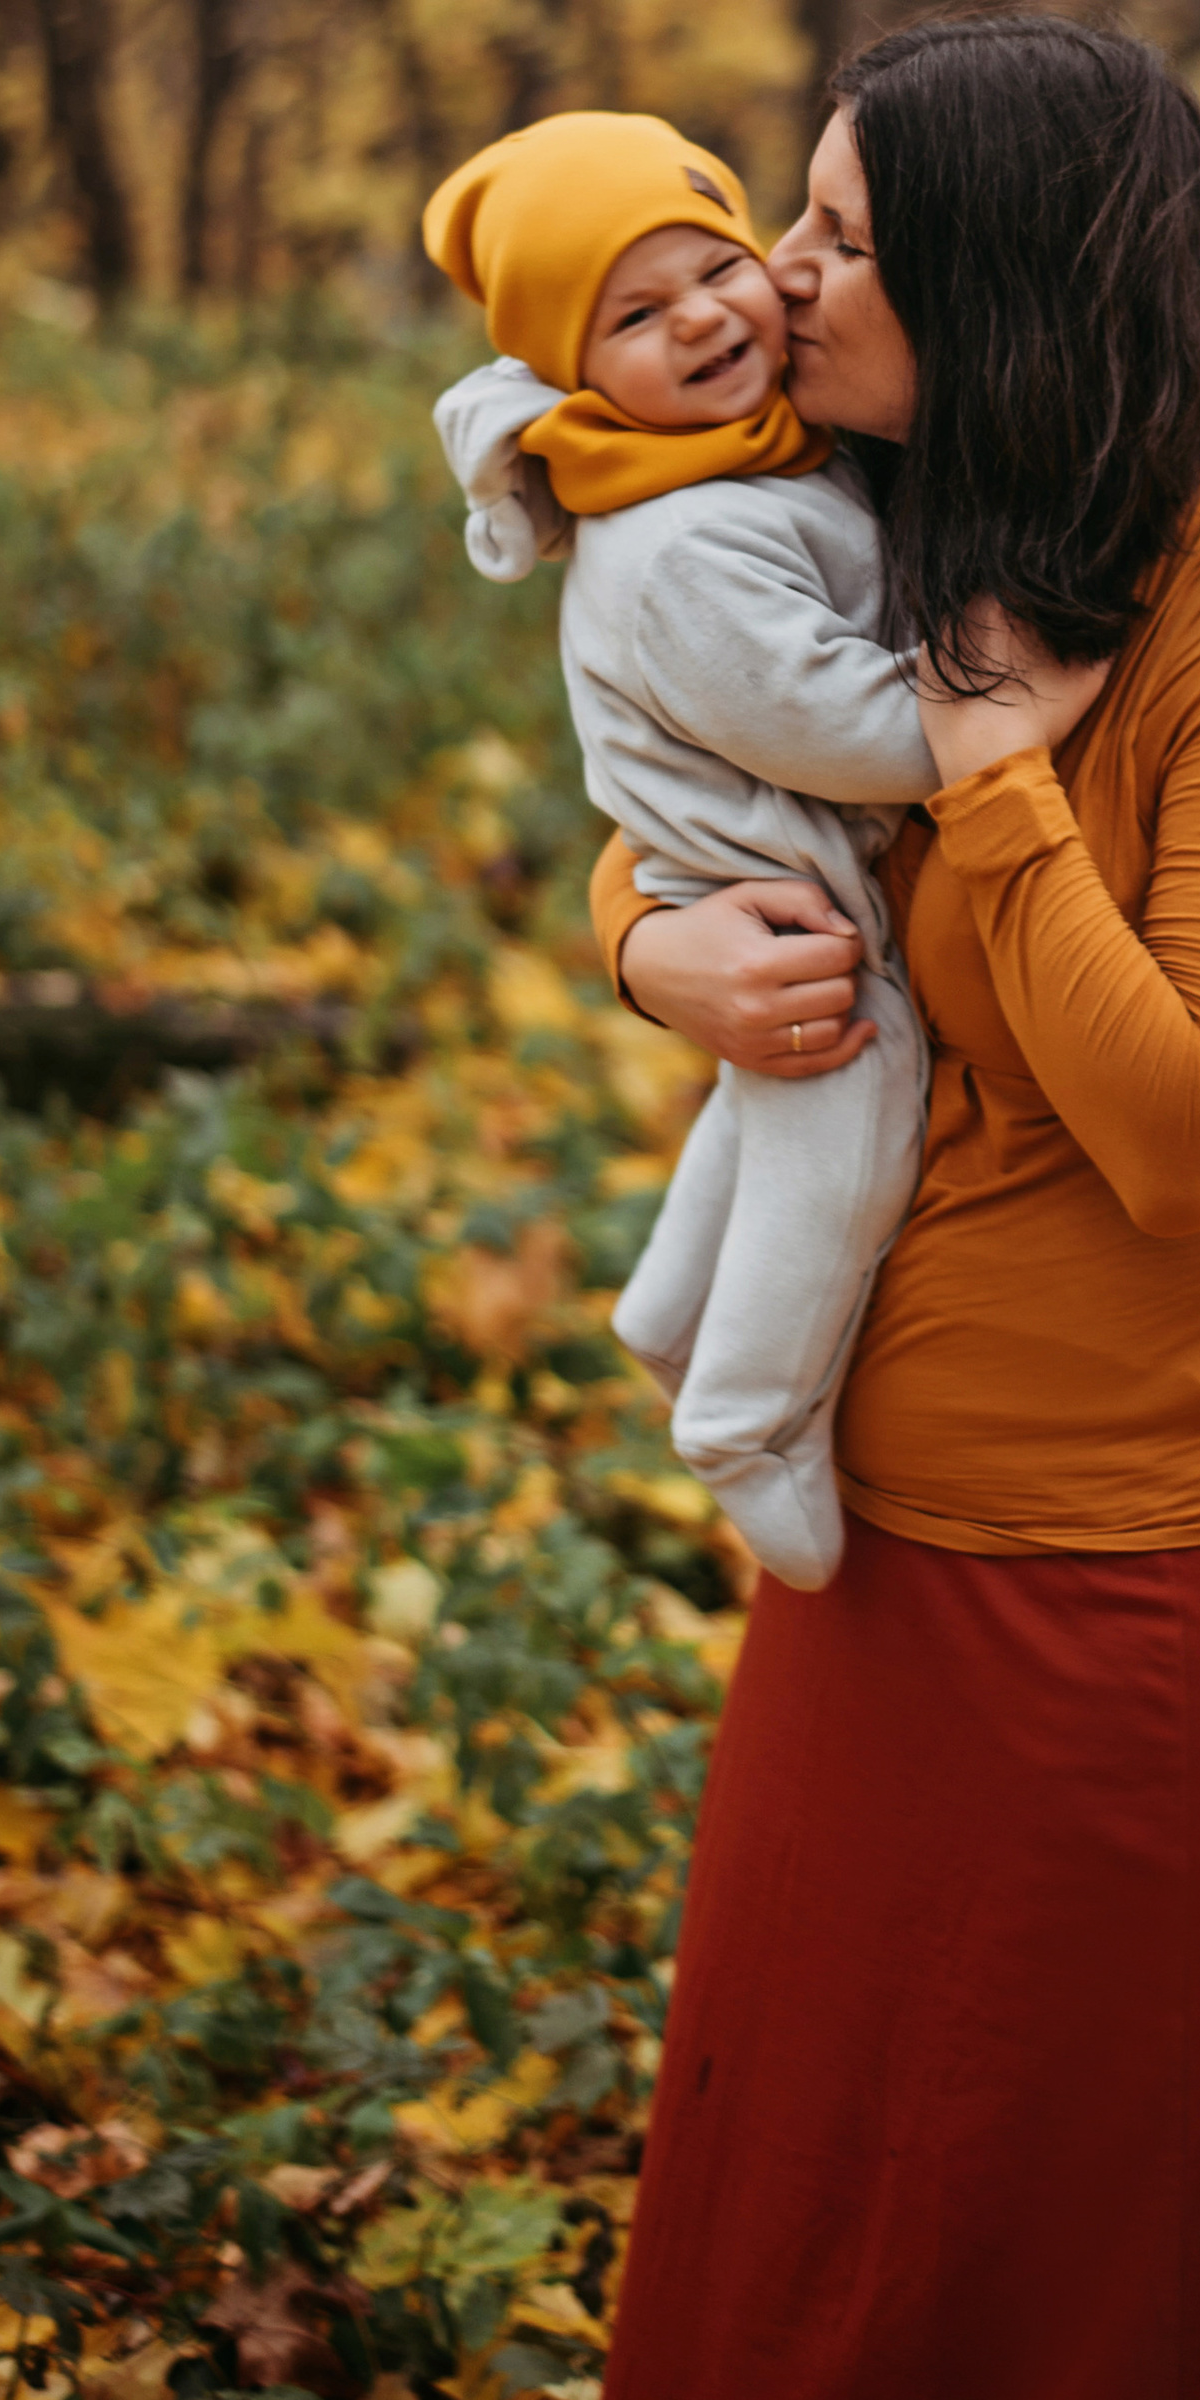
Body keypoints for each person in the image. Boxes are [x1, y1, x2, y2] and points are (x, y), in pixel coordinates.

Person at [587, 15, 1200, 2400]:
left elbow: (1186, 1130)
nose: (779, 269)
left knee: (1096, 2317)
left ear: (1010, 286)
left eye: (843, 237)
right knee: (817, 2255)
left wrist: (988, 779)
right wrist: (646, 944)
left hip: (1154, 1604)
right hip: (884, 1565)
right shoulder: (913, 529)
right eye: (795, 213)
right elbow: (679, 789)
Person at [423, 110, 935, 1592]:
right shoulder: (684, 530)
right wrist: (979, 710)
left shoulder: (739, 454)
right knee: (849, 1090)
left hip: (751, 863)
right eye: (636, 317)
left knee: (753, 1115)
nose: (708, 313)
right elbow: (838, 724)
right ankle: (746, 1412)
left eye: (714, 264)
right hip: (779, 868)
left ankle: (665, 1313)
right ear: (574, 373)